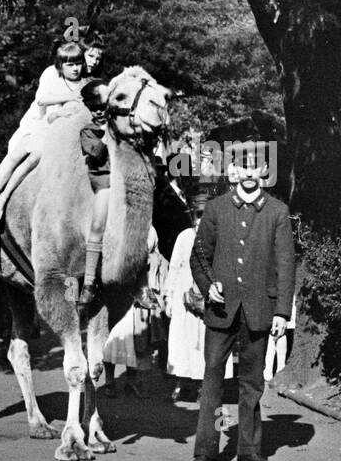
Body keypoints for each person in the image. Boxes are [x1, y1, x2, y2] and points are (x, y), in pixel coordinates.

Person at [188, 144, 296, 461]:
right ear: (234, 171)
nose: (250, 172)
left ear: (265, 171)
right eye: (243, 166)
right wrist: (209, 286)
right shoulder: (217, 208)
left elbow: (285, 264)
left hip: (259, 310)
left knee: (252, 383)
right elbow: (199, 256)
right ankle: (205, 452)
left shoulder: (277, 212)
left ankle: (249, 452)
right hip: (221, 311)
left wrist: (281, 312)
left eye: (257, 166)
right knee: (212, 380)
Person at [0, 41, 89, 232]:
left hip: (57, 135)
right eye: (70, 64)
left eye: (78, 63)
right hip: (42, 126)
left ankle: (2, 199)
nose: (75, 68)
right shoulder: (57, 80)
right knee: (13, 157)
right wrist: (68, 99)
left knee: (35, 155)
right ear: (61, 66)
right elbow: (43, 101)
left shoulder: (84, 85)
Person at [164, 191, 230, 402]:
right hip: (184, 296)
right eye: (197, 215)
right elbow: (174, 268)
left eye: (205, 214)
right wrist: (168, 296)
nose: (201, 219)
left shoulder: (221, 236)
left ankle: (205, 386)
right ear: (192, 216)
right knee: (181, 341)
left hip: (210, 296)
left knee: (206, 342)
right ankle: (181, 384)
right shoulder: (184, 237)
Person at [102, 226, 168, 397]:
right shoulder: (117, 227)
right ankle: (109, 381)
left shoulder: (150, 230)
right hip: (119, 295)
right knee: (115, 339)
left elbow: (150, 250)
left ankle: (132, 381)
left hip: (140, 296)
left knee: (138, 342)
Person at [76, 78, 111, 307]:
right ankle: (88, 282)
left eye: (103, 106)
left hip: (122, 181)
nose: (99, 111)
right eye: (94, 107)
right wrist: (108, 134)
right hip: (104, 181)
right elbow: (97, 154)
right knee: (97, 225)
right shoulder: (88, 131)